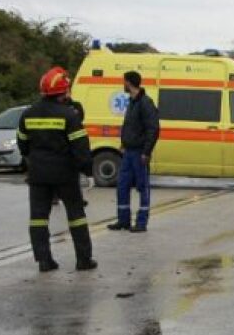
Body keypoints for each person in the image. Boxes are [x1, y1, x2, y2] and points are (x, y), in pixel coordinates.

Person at [17, 67, 96, 272]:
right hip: (65, 174)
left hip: (38, 174)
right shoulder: (69, 115)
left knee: (38, 218)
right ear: (63, 91)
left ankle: (44, 260)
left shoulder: (27, 114)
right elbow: (80, 147)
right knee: (76, 215)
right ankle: (83, 259)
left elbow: (23, 144)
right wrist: (88, 170)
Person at [108, 71, 159, 233]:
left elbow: (153, 129)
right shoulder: (132, 102)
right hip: (129, 152)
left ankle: (141, 222)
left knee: (143, 187)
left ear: (129, 83)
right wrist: (123, 143)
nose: (122, 84)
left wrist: (146, 151)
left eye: (124, 82)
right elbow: (130, 125)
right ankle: (123, 220)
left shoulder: (145, 103)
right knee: (122, 185)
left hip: (139, 153)